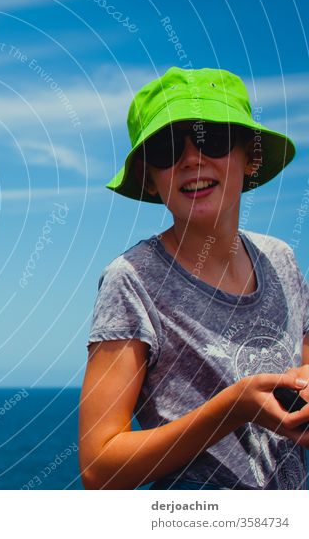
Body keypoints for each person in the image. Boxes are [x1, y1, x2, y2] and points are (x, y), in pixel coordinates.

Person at [78, 67, 309, 490]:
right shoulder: (133, 280)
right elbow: (99, 468)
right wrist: (231, 410)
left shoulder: (282, 261)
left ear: (249, 156)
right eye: (167, 149)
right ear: (150, 177)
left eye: (212, 140)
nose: (191, 159)